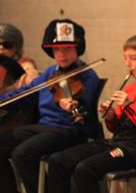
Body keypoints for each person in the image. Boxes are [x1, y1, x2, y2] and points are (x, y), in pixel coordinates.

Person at [46, 33, 136, 193]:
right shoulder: (130, 87)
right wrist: (110, 115)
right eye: (125, 58)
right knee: (58, 161)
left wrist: (128, 105)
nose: (128, 64)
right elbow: (115, 128)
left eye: (133, 58)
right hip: (119, 142)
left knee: (85, 169)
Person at [0, 19, 100, 193]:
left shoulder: (87, 75)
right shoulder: (49, 73)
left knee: (22, 154)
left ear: (77, 48)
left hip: (70, 129)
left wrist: (72, 106)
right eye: (57, 49)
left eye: (68, 48)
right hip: (45, 126)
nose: (62, 54)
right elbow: (25, 93)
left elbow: (85, 110)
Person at [0, 23, 39, 90]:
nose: (1, 47)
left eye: (7, 44)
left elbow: (31, 80)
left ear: (17, 47)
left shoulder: (25, 64)